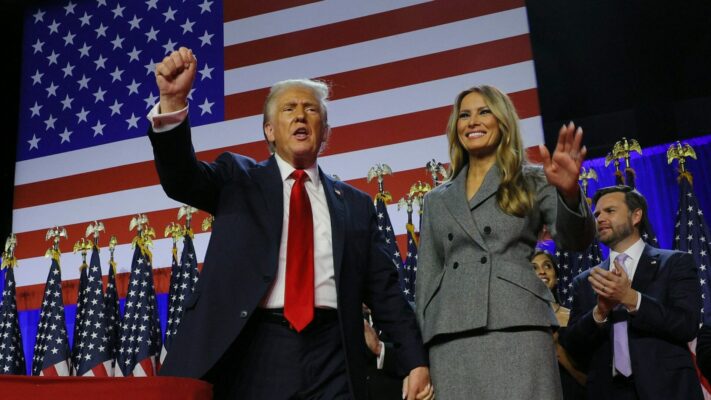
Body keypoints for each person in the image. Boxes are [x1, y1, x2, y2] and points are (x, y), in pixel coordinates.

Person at [149, 47, 433, 400]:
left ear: (325, 131)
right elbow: (181, 179)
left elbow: (386, 292)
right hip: (257, 347)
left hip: (334, 351)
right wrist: (173, 103)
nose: (301, 115)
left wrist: (414, 360)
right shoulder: (238, 178)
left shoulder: (357, 206)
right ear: (269, 130)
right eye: (289, 109)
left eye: (311, 109)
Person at [415, 85, 595, 399]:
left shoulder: (534, 179)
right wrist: (419, 358)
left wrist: (568, 193)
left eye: (484, 111)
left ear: (503, 122)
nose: (472, 121)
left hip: (517, 324)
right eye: (465, 115)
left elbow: (575, 240)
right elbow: (427, 280)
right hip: (451, 337)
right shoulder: (436, 199)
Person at [564, 185, 703, 399]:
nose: (599, 218)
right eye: (597, 214)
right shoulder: (585, 281)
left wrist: (630, 299)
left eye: (610, 211)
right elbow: (572, 345)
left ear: (636, 215)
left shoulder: (675, 263)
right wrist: (599, 313)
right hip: (607, 392)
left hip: (667, 389)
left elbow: (686, 325)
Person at [531, 249, 586, 399]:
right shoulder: (518, 320)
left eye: (547, 266)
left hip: (571, 389)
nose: (542, 271)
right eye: (534, 268)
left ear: (556, 276)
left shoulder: (571, 317)